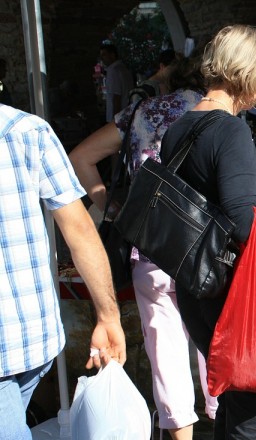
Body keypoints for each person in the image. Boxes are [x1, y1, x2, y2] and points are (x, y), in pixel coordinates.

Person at [160, 25, 256, 439]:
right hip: (231, 292)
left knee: (233, 397)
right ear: (250, 74)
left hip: (195, 286)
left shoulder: (180, 127)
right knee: (251, 406)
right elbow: (245, 221)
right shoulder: (229, 130)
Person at [69, 55, 218, 440]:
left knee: (166, 360)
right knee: (215, 351)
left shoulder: (140, 113)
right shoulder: (215, 113)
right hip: (205, 249)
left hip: (151, 249)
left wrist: (115, 211)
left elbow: (80, 158)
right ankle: (222, 426)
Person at [0, 103, 126, 438]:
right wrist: (108, 316)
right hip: (33, 335)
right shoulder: (28, 130)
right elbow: (80, 231)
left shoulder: (30, 131)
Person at [99, 43, 135, 123]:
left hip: (119, 118)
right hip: (128, 114)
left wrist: (115, 121)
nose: (102, 58)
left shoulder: (113, 71)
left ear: (112, 55)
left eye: (104, 55)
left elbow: (116, 97)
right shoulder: (124, 69)